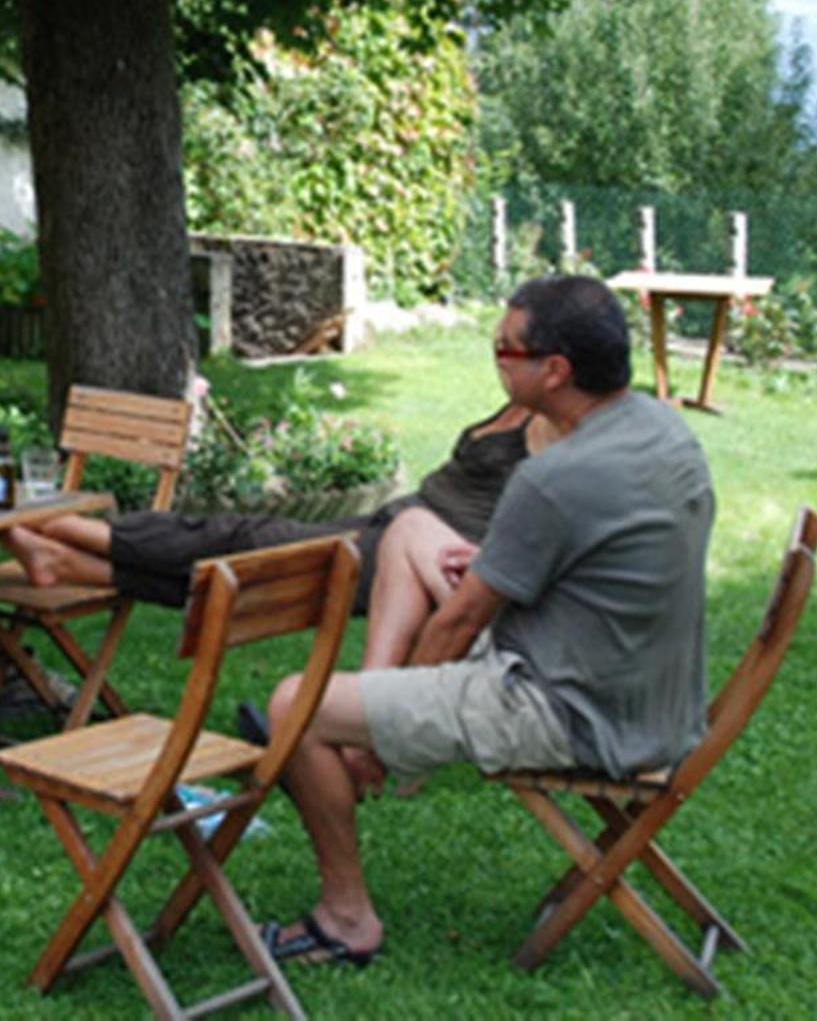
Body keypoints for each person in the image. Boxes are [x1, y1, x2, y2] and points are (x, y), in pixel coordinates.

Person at [262, 275, 714, 968]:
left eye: (506, 349)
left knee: (297, 703)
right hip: (654, 699)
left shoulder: (553, 476)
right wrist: (490, 566)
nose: (496, 359)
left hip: (571, 711)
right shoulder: (663, 430)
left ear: (555, 370)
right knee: (413, 529)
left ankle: (346, 913)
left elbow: (454, 628)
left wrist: (380, 739)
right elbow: (608, 559)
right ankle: (369, 731)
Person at [0, 405, 560, 674]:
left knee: (247, 538)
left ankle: (60, 524)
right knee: (244, 579)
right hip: (395, 522)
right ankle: (65, 562)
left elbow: (558, 504)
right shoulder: (527, 401)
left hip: (416, 554)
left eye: (515, 346)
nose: (500, 353)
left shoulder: (559, 424)